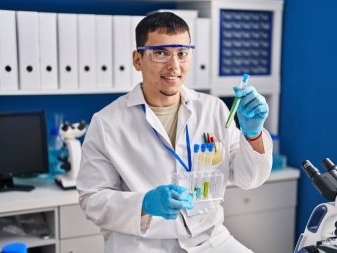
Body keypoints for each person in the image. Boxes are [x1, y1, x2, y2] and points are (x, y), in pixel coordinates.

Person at [77, 12, 272, 253]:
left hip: (209, 240)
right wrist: (144, 203)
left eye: (182, 53)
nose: (174, 66)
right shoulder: (107, 123)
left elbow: (248, 178)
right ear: (137, 59)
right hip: (143, 244)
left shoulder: (213, 109)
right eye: (160, 53)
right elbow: (92, 199)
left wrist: (253, 135)